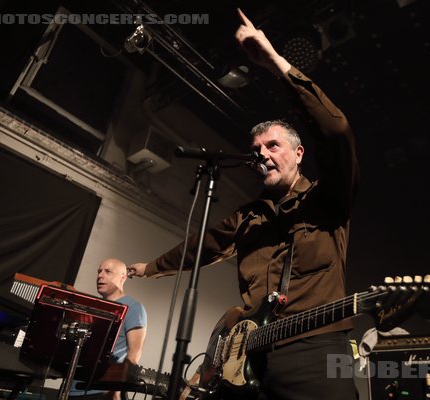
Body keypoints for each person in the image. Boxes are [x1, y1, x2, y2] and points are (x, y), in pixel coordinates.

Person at [129, 9, 358, 400]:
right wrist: (149, 268)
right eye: (256, 150)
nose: (263, 154)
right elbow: (200, 248)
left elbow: (336, 130)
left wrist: (273, 61)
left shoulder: (328, 198)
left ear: (299, 153)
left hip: (314, 351)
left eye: (273, 145)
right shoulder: (248, 216)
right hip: (246, 357)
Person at [70, 258, 148, 400]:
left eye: (108, 271)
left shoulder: (133, 307)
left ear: (123, 277)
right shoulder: (93, 307)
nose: (100, 275)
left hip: (102, 392)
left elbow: (134, 353)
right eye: (99, 271)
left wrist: (116, 390)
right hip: (74, 389)